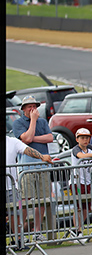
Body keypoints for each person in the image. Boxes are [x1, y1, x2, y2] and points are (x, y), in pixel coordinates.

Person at [12, 95, 54, 236]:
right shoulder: (18, 123)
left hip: (43, 167)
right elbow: (27, 139)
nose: (33, 109)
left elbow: (50, 137)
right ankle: (19, 233)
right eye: (29, 106)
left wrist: (31, 138)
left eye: (35, 106)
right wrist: (33, 121)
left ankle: (37, 231)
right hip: (27, 168)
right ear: (23, 109)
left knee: (42, 200)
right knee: (25, 200)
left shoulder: (42, 122)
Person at [5, 136, 53, 239]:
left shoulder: (12, 141)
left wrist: (41, 156)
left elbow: (27, 150)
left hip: (10, 186)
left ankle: (18, 240)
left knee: (15, 214)